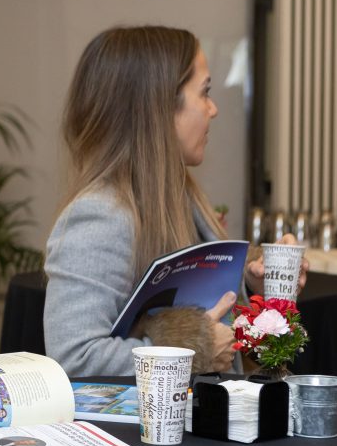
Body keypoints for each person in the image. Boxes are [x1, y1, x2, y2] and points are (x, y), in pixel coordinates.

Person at [43, 26, 307, 377]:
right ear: (160, 106)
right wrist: (189, 353)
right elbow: (72, 359)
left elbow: (209, 317)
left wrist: (255, 285)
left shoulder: (182, 196)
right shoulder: (100, 216)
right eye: (205, 93)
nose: (213, 109)